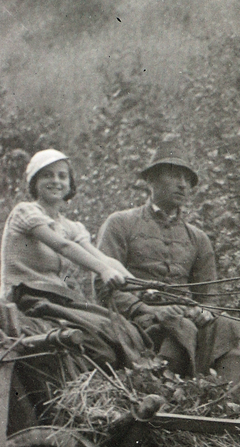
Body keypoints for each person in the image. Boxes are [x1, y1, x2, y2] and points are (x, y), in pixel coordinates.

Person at [97, 140, 240, 384]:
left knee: (231, 326)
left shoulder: (198, 239)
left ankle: (223, 399)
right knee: (179, 325)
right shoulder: (121, 223)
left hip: (183, 317)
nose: (183, 185)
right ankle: (162, 390)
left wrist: (205, 311)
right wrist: (149, 309)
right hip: (135, 321)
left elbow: (209, 295)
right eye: (174, 176)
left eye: (187, 180)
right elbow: (103, 286)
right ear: (151, 180)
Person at [0, 148, 146, 365]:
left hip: (56, 297)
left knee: (118, 327)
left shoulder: (71, 226)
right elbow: (62, 246)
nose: (56, 181)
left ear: (70, 184)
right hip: (26, 297)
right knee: (95, 337)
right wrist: (103, 271)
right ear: (34, 182)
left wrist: (144, 287)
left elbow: (103, 258)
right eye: (47, 175)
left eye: (62, 176)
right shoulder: (25, 212)